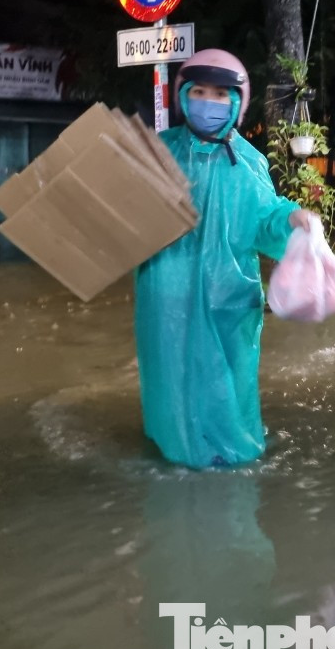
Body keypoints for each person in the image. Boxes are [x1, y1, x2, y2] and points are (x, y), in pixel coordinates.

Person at [134, 49, 314, 469]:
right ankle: (174, 447)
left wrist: (293, 218)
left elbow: (266, 221)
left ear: (237, 101)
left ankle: (233, 452)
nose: (209, 102)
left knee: (229, 382)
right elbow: (128, 215)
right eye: (200, 91)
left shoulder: (248, 162)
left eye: (220, 94)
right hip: (167, 298)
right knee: (171, 378)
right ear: (183, 95)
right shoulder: (160, 152)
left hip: (228, 299)